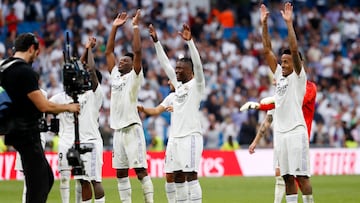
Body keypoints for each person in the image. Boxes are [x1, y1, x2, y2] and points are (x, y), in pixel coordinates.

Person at [1, 32, 80, 203]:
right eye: (37, 53)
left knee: (45, 177)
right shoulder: (24, 71)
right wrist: (69, 107)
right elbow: (44, 106)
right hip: (26, 133)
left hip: (14, 129)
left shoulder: (4, 66)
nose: (36, 58)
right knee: (39, 183)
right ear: (31, 48)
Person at [259, 3, 314, 203]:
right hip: (280, 133)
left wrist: (289, 24)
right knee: (287, 177)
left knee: (301, 177)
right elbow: (266, 50)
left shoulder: (299, 76)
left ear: (296, 63)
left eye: (286, 62)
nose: (282, 65)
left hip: (296, 132)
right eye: (281, 62)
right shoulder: (279, 76)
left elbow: (294, 47)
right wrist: (264, 25)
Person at [149, 22, 205, 202]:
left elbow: (198, 65)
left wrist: (190, 43)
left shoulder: (196, 86)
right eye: (177, 68)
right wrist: (157, 42)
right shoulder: (178, 88)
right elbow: (165, 64)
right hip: (175, 139)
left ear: (190, 72)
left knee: (191, 176)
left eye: (181, 69)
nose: (177, 71)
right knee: (178, 177)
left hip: (191, 137)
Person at [105, 9, 154, 203]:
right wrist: (114, 28)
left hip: (133, 128)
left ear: (132, 65)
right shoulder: (115, 76)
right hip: (118, 130)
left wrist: (134, 26)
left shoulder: (135, 77)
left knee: (141, 171)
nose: (121, 62)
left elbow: (138, 51)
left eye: (125, 61)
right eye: (121, 60)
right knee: (120, 172)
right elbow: (108, 52)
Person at [50, 36, 105, 203]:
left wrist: (89, 51)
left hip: (92, 141)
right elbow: (77, 70)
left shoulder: (95, 94)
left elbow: (91, 71)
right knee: (83, 181)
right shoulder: (69, 96)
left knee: (95, 180)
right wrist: (85, 48)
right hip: (77, 143)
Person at [138, 80, 176, 203]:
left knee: (187, 175)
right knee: (169, 175)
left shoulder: (191, 92)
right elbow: (155, 110)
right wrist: (142, 108)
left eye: (172, 78)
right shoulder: (171, 97)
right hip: (173, 140)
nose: (169, 81)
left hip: (187, 138)